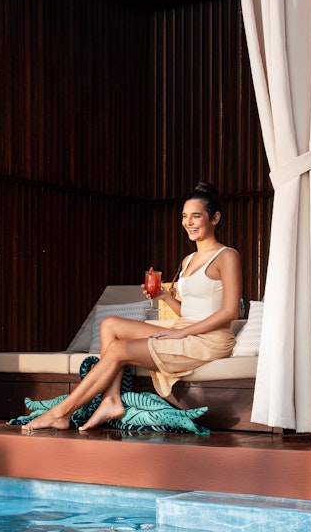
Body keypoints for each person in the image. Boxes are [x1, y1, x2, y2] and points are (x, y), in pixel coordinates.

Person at [22, 182, 241, 432]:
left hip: (209, 340)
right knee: (110, 325)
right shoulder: (188, 260)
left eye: (196, 216)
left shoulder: (227, 256)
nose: (188, 222)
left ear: (215, 218)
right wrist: (164, 297)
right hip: (186, 328)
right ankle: (111, 399)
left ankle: (60, 414)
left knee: (118, 350)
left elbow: (231, 311)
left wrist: (181, 332)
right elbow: (191, 312)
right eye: (184, 216)